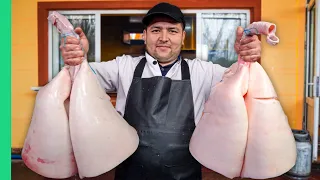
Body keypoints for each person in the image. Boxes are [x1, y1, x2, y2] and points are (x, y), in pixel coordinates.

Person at [60, 2, 261, 180]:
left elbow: (243, 84)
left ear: (182, 37)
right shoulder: (123, 67)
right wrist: (79, 59)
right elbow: (80, 80)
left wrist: (245, 59)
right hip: (130, 171)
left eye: (172, 31)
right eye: (156, 30)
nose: (164, 38)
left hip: (185, 172)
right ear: (145, 35)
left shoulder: (203, 71)